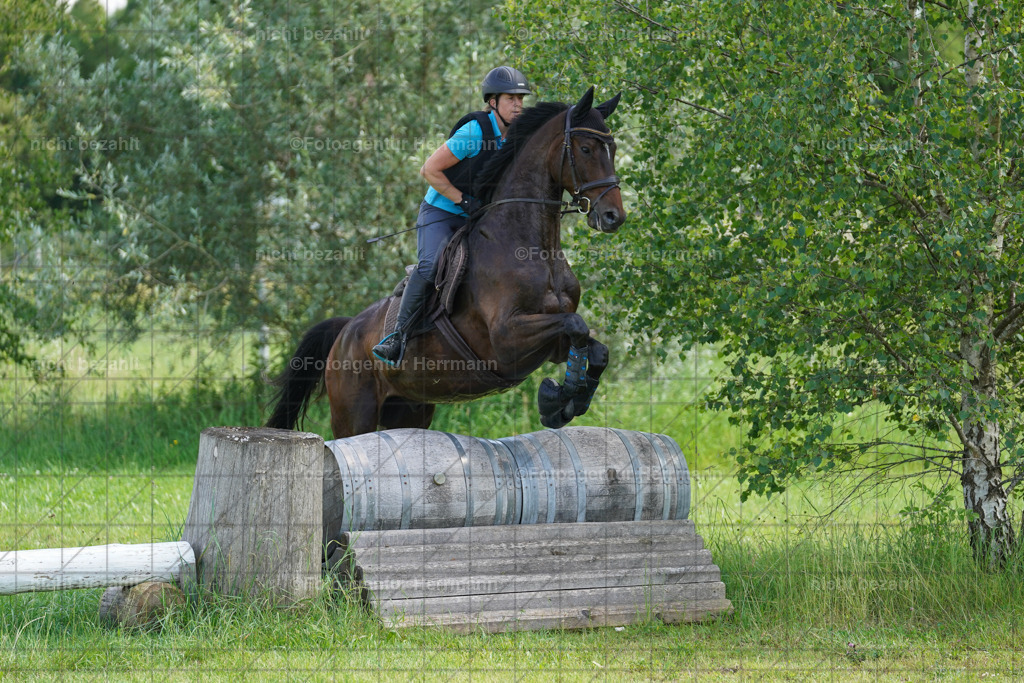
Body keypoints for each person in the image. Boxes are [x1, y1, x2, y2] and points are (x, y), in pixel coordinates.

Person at [372, 66, 531, 366]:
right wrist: (462, 200)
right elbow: (429, 170)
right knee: (431, 265)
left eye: (521, 99)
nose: (519, 105)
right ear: (493, 101)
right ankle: (397, 336)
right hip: (442, 211)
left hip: (480, 216)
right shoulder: (474, 131)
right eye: (511, 98)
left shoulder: (516, 136)